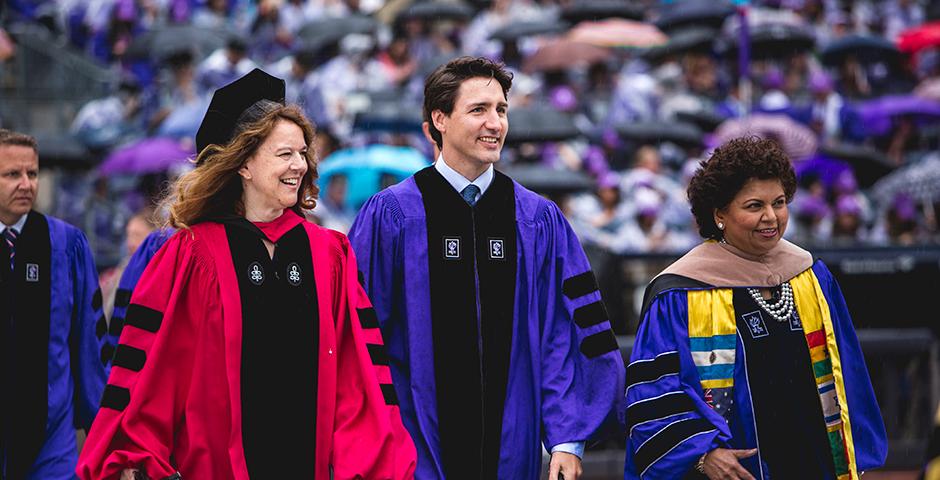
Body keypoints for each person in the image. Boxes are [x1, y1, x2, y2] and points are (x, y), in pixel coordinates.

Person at [77, 68, 416, 480]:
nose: (300, 165)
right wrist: (136, 455)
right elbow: (153, 369)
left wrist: (366, 464)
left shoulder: (329, 254)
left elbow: (357, 374)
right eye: (284, 154)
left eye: (303, 152)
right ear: (244, 165)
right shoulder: (191, 256)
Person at [348, 56, 625, 480]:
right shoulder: (392, 217)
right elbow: (361, 336)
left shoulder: (537, 221)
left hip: (515, 450)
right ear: (439, 120)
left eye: (501, 110)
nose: (494, 123)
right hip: (414, 449)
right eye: (478, 110)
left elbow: (564, 332)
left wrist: (568, 440)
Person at [623, 137, 887, 479]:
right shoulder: (681, 292)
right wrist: (703, 453)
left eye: (779, 202)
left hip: (812, 460)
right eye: (753, 206)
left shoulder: (809, 275)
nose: (771, 217)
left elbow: (845, 373)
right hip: (734, 470)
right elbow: (655, 393)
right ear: (720, 214)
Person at [0, 129, 109, 479]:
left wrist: (105, 433)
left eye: (32, 174)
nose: (26, 184)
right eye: (12, 175)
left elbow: (89, 345)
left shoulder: (66, 244)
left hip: (52, 434)